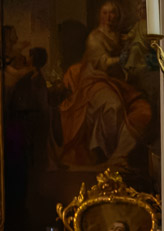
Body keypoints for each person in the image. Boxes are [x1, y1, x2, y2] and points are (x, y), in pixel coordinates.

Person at [59, 1, 153, 169]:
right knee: (113, 105)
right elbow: (102, 63)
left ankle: (118, 156)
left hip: (115, 81)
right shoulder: (94, 37)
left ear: (118, 16)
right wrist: (121, 59)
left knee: (141, 108)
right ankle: (108, 152)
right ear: (99, 16)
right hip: (94, 80)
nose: (109, 17)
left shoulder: (119, 36)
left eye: (112, 13)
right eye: (105, 13)